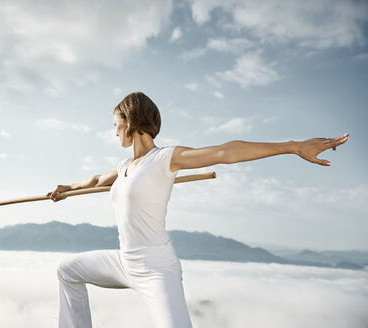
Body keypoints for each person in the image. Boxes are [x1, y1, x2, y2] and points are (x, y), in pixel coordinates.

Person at [48, 91, 349, 328]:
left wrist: (293, 146)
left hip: (156, 268)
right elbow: (97, 180)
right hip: (124, 261)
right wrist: (68, 189)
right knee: (67, 270)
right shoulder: (125, 165)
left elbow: (224, 152)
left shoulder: (165, 158)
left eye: (116, 124)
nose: (114, 131)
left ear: (129, 121)